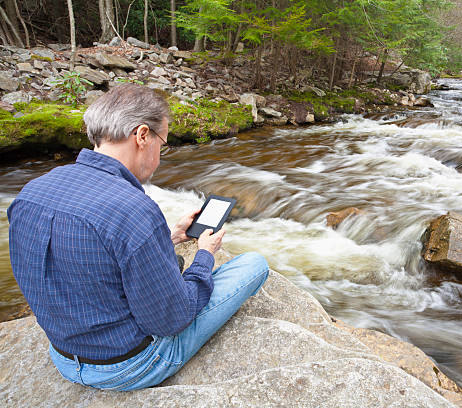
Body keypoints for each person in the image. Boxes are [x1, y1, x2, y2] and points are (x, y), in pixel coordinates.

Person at [7, 84, 269, 391]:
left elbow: (88, 258)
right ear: (142, 136)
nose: (160, 156)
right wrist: (205, 254)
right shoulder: (133, 209)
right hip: (129, 366)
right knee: (254, 263)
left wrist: (167, 237)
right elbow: (173, 319)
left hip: (63, 358)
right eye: (163, 144)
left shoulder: (32, 192)